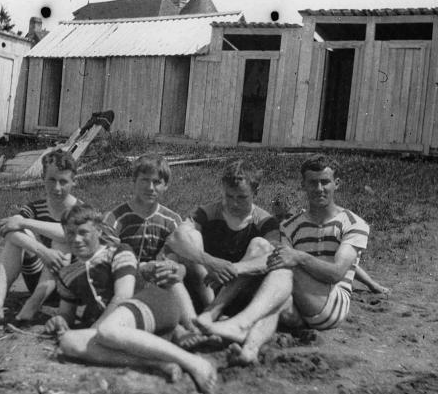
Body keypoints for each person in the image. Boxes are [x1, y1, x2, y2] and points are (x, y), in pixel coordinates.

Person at [192, 154, 372, 366]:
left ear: (337, 184)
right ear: (303, 185)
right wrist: (235, 268)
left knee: (285, 265)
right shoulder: (290, 226)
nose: (319, 188)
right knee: (271, 280)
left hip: (331, 305)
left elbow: (336, 273)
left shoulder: (352, 223)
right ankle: (249, 349)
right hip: (297, 306)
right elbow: (277, 265)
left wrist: (298, 257)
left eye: (325, 182)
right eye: (312, 182)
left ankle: (237, 322)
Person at [46, 204, 217, 394]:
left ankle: (194, 363)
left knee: (106, 331)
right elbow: (66, 313)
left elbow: (123, 296)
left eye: (83, 232)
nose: (76, 239)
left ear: (99, 230)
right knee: (68, 342)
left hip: (153, 302)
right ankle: (157, 362)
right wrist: (60, 320)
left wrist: (94, 331)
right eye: (70, 233)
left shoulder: (118, 251)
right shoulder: (67, 273)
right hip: (125, 328)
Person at [165, 159, 281, 348]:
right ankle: (208, 314)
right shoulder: (208, 211)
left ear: (255, 192)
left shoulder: (265, 221)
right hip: (205, 286)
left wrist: (232, 268)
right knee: (191, 236)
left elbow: (275, 257)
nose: (234, 203)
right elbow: (175, 238)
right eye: (229, 196)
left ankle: (213, 314)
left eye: (242, 197)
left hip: (240, 292)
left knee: (261, 245)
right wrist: (211, 262)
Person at [0, 149, 80, 324]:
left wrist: (25, 223)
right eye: (51, 180)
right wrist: (42, 250)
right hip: (38, 280)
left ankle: (33, 304)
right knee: (17, 236)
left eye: (63, 181)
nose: (57, 188)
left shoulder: (79, 209)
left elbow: (68, 233)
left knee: (61, 241)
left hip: (69, 287)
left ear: (74, 181)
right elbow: (8, 229)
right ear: (43, 177)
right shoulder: (35, 207)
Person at [103, 154, 198, 336]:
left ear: (166, 186)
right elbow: (107, 258)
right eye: (144, 180)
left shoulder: (172, 220)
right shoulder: (116, 218)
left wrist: (178, 269)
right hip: (123, 279)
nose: (150, 187)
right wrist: (143, 268)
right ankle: (182, 330)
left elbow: (178, 260)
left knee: (171, 275)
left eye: (157, 182)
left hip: (158, 279)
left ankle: (194, 327)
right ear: (134, 181)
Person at [272, 191, 390, 295]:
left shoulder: (307, 229)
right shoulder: (281, 232)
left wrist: (372, 285)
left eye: (288, 216)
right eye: (278, 217)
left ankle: (372, 284)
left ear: (301, 212)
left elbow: (349, 265)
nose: (283, 221)